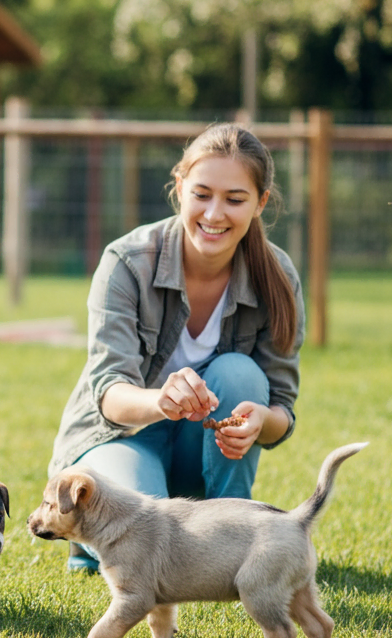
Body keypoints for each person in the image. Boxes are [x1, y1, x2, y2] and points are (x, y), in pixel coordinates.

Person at [48, 122, 305, 572]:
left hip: (199, 451)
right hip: (120, 436)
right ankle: (91, 542)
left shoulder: (278, 277)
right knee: (139, 532)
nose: (214, 214)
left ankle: (235, 539)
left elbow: (282, 411)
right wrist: (161, 401)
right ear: (180, 187)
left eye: (235, 199)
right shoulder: (127, 262)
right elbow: (109, 393)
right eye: (202, 194)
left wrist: (261, 421)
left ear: (260, 203)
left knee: (239, 374)